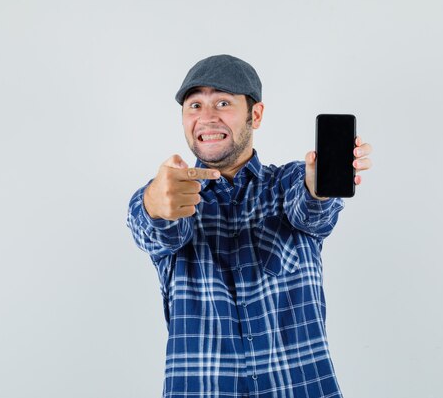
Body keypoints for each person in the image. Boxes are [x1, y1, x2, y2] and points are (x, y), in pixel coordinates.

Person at [126, 54, 373, 398]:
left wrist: (319, 189)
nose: (206, 118)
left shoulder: (287, 184)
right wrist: (155, 203)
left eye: (223, 102)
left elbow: (311, 212)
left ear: (254, 115)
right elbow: (151, 227)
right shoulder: (176, 196)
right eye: (194, 106)